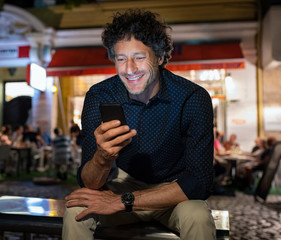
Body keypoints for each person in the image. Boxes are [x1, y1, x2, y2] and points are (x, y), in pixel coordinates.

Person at [63, 9, 216, 240]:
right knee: (76, 210)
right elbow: (89, 182)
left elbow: (199, 182)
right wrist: (102, 157)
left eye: (140, 57)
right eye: (121, 59)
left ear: (160, 57)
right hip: (125, 182)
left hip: (173, 191)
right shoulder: (100, 96)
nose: (129, 69)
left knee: (198, 217)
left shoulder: (191, 97)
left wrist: (121, 201)